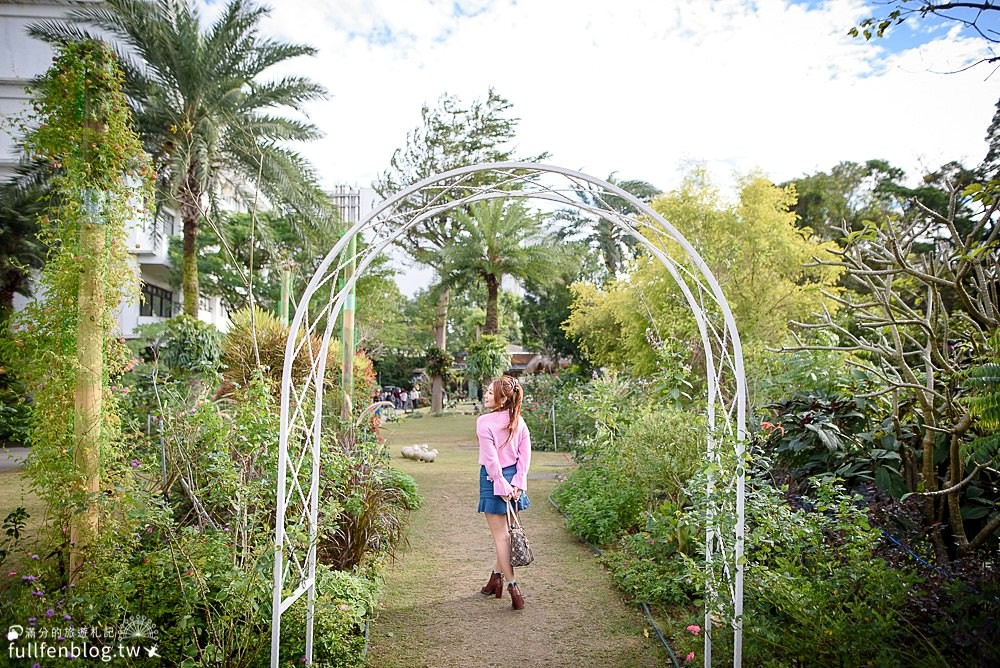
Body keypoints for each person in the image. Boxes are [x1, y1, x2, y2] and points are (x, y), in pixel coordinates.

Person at [476, 375, 532, 610]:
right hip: (513, 480)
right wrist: (517, 483)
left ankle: (513, 586)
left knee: (501, 537)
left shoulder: (484, 422)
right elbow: (525, 455)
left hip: (493, 480)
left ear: (501, 398)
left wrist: (501, 483)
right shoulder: (519, 421)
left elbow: (491, 460)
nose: (486, 395)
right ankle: (494, 580)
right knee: (507, 535)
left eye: (490, 392)